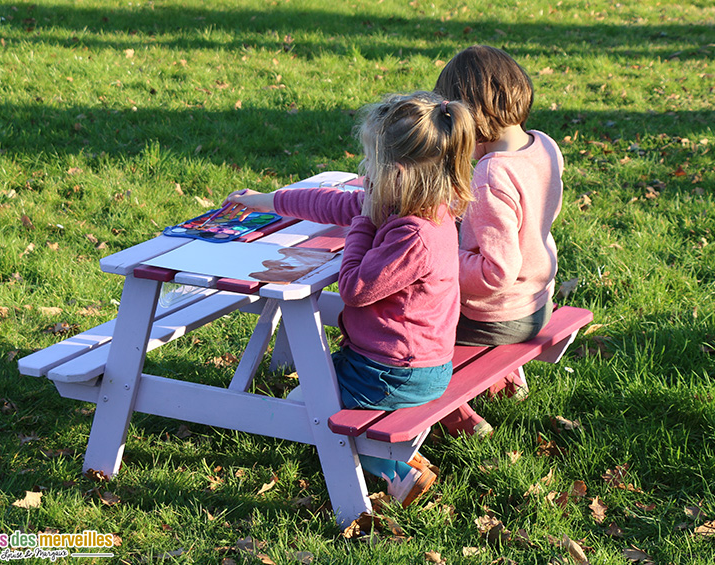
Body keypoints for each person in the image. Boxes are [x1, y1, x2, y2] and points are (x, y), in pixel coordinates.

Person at [222, 91, 475, 507]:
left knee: (303, 405)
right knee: (315, 380)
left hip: (394, 372)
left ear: (395, 172)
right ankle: (396, 453)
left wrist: (362, 221)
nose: (364, 175)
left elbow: (354, 288)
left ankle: (396, 469)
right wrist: (267, 202)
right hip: (412, 360)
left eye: (369, 164)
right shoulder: (422, 207)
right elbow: (333, 202)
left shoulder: (412, 235)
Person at [434, 45, 564, 401]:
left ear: (470, 116)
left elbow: (495, 273)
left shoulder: (492, 174)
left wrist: (440, 257)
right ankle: (505, 381)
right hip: (537, 302)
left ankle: (448, 407)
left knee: (412, 315)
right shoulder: (543, 145)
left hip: (497, 316)